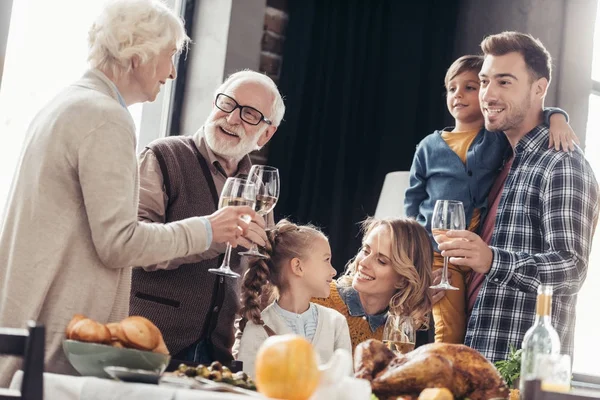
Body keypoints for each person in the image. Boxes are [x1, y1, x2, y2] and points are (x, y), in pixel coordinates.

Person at [0, 0, 258, 385]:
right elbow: (119, 242)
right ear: (139, 53)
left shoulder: (68, 103)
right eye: (170, 56)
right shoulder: (106, 117)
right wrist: (208, 229)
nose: (172, 72)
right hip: (53, 340)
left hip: (28, 326)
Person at [438, 31, 599, 363]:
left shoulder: (562, 164)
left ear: (539, 88)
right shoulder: (501, 159)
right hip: (476, 356)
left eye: (504, 82)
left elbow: (572, 268)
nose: (488, 95)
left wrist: (492, 261)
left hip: (520, 371)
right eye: (484, 82)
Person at [404, 54, 577, 345]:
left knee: (472, 316)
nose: (460, 94)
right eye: (452, 88)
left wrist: (558, 117)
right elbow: (413, 200)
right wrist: (416, 248)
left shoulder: (495, 137)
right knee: (448, 327)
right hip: (438, 251)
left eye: (471, 87)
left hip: (476, 251)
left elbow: (532, 116)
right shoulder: (429, 146)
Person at [130, 69, 285, 365]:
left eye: (250, 114)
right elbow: (137, 246)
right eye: (227, 104)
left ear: (266, 133)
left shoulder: (259, 189)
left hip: (216, 355)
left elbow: (258, 272)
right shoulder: (163, 156)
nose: (232, 118)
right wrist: (211, 237)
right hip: (146, 344)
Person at [233, 219, 351, 377]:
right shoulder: (257, 328)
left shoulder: (336, 323)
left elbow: (346, 385)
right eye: (326, 260)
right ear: (298, 267)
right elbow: (248, 388)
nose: (334, 271)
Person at [312, 217, 434, 352]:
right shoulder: (317, 297)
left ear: (403, 280)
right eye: (366, 251)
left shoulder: (398, 336)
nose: (364, 262)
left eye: (381, 261)